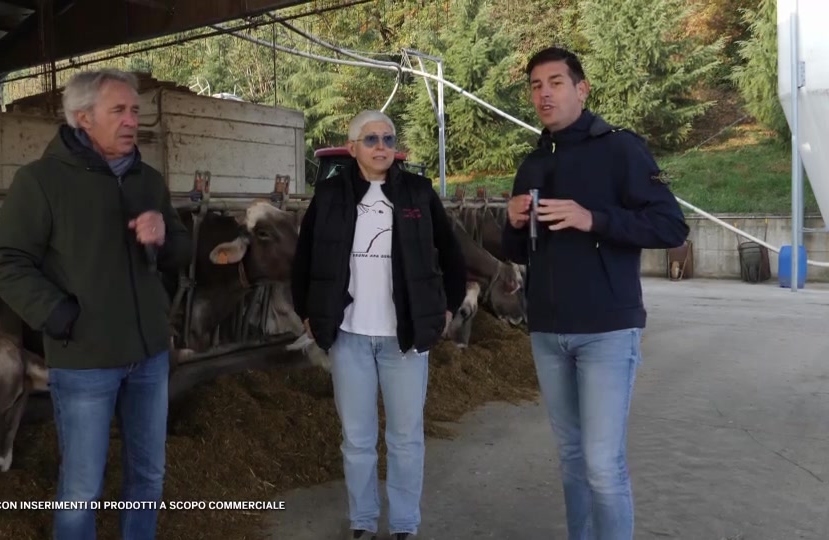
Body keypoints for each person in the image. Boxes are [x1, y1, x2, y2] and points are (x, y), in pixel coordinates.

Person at [0, 68, 193, 540]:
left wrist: (164, 237)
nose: (131, 120)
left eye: (135, 110)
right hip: (85, 362)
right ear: (83, 118)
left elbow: (182, 250)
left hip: (150, 357)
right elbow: (4, 261)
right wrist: (58, 315)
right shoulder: (40, 182)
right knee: (81, 487)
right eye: (118, 110)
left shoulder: (149, 179)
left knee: (149, 477)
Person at [502, 47, 690, 540]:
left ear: (582, 90)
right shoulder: (532, 162)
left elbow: (671, 226)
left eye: (556, 82)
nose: (544, 93)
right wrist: (513, 222)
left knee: (603, 464)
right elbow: (519, 251)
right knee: (570, 459)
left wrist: (594, 219)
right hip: (546, 330)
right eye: (536, 85)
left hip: (607, 329)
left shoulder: (621, 149)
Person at [291, 110, 467, 540]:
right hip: (349, 335)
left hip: (403, 338)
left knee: (406, 438)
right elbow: (304, 259)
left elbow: (451, 252)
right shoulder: (330, 195)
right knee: (357, 438)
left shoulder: (418, 193)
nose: (381, 146)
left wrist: (446, 307)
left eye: (388, 138)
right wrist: (308, 313)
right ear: (352, 148)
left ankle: (405, 523)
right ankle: (364, 520)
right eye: (371, 139)